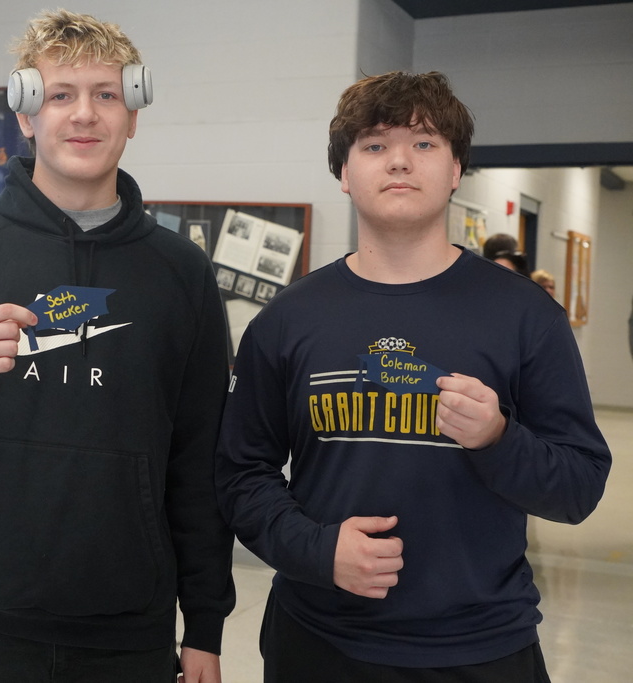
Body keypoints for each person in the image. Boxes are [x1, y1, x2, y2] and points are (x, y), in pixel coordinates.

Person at [0, 9, 234, 683]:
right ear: (26, 114)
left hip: (128, 631)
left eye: (107, 94)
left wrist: (204, 625)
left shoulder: (182, 273)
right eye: (61, 94)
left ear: (134, 113)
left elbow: (200, 464)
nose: (84, 114)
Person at [215, 71, 611, 682]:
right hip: (319, 643)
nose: (399, 159)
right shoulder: (288, 319)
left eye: (424, 143)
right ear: (344, 174)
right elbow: (241, 475)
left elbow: (579, 487)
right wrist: (317, 551)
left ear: (456, 170)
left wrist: (498, 439)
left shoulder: (524, 315)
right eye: (374, 145)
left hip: (480, 647)